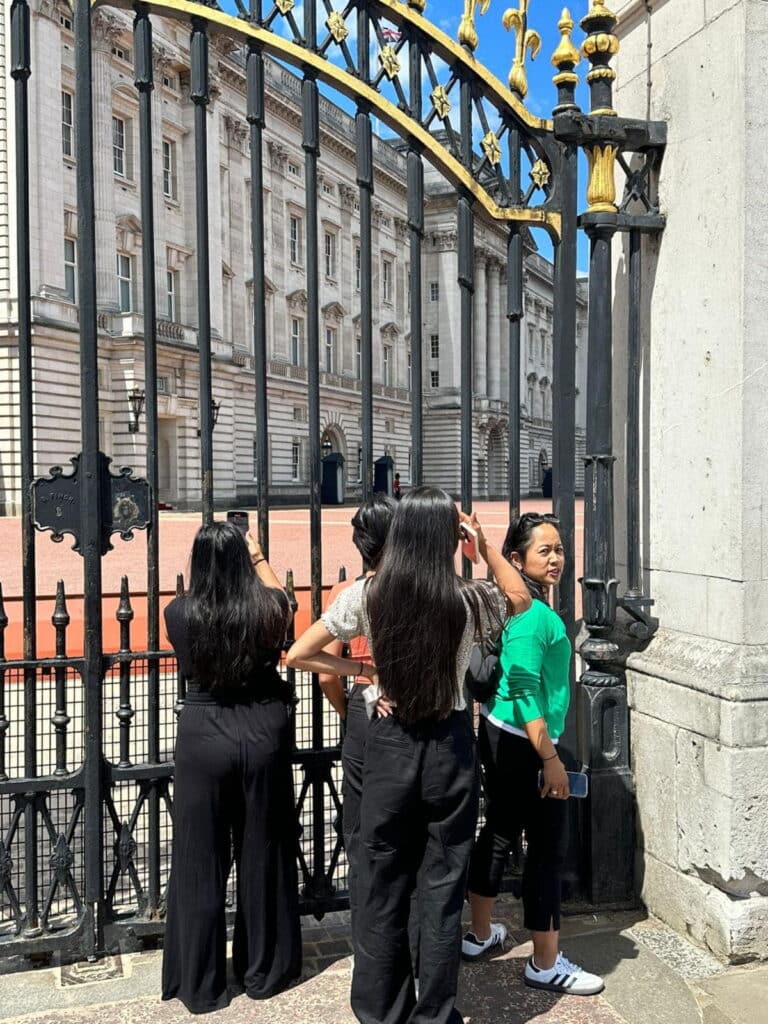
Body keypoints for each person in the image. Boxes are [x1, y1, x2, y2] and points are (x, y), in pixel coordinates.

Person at [288, 487, 531, 1024]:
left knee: (380, 881)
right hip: (449, 742)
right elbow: (521, 600)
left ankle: (380, 1010)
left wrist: (364, 672)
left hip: (390, 743)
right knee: (441, 886)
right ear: (449, 538)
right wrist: (486, 547)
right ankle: (435, 1014)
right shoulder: (468, 597)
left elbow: (301, 653)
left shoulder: (369, 593)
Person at [162, 521, 301, 1014]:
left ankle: (199, 982)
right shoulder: (268, 608)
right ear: (243, 560)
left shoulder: (177, 612)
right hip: (263, 728)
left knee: (200, 859)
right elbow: (287, 602)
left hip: (203, 731)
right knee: (263, 852)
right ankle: (265, 968)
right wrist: (260, 560)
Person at [463, 512, 604, 996]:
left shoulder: (515, 604)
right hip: (528, 741)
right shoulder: (532, 616)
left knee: (499, 832)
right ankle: (544, 962)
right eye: (544, 550)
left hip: (502, 732)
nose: (557, 558)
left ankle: (480, 935)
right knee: (546, 850)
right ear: (517, 559)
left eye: (560, 549)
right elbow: (525, 690)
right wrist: (550, 759)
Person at [318, 495, 396, 950]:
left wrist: (351, 709)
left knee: (361, 829)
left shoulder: (348, 595)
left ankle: (367, 933)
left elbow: (326, 671)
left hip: (364, 708)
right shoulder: (417, 591)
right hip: (411, 711)